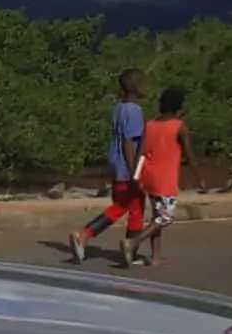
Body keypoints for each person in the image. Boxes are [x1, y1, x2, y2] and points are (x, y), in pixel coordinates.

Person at [70, 69, 149, 267]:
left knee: (130, 206)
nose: (147, 87)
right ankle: (85, 234)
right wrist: (135, 173)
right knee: (128, 206)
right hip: (126, 166)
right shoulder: (134, 110)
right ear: (136, 86)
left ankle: (130, 250)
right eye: (144, 83)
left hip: (116, 164)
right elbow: (129, 143)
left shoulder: (119, 108)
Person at [136, 84, 195, 268]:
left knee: (156, 217)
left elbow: (142, 152)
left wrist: (137, 176)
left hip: (149, 176)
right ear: (179, 106)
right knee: (166, 217)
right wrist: (199, 175)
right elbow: (190, 155)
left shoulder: (150, 125)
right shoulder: (179, 127)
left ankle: (156, 257)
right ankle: (134, 242)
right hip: (165, 180)